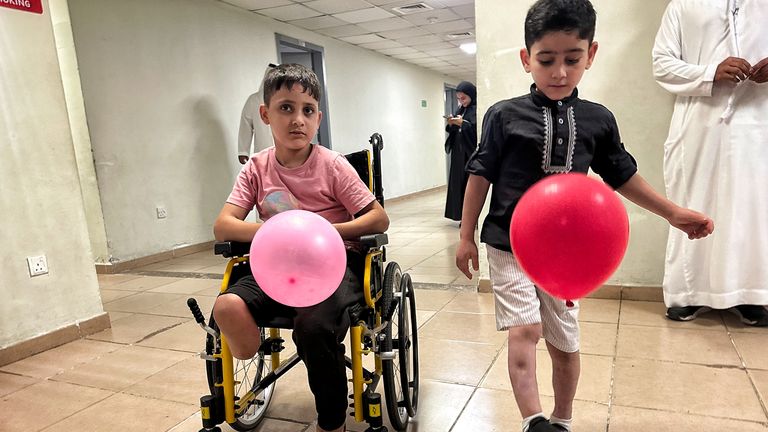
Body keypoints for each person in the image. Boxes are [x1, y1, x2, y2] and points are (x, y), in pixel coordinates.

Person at [454, 1, 714, 431]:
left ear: (591, 55)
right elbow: (479, 176)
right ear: (526, 59)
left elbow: (623, 175)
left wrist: (673, 213)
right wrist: (466, 236)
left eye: (572, 60)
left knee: (564, 342)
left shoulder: (598, 120)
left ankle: (562, 420)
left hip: (566, 256)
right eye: (546, 60)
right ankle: (532, 420)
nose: (559, 72)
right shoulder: (502, 115)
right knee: (525, 331)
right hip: (507, 244)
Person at [212, 63, 389, 432]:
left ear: (318, 118)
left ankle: (331, 420)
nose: (297, 120)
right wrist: (278, 231)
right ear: (265, 114)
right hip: (276, 266)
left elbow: (377, 218)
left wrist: (326, 229)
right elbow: (223, 225)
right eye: (286, 108)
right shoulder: (256, 169)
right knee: (226, 304)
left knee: (311, 327)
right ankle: (249, 349)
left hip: (333, 267)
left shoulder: (333, 166)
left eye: (307, 111)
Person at [652, 0, 768, 325]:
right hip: (698, 126)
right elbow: (661, 64)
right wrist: (710, 72)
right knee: (692, 206)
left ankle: (750, 295)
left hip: (758, 124)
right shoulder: (683, 6)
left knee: (752, 209)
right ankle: (686, 295)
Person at [444, 81, 478, 222]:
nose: (461, 101)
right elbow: (453, 131)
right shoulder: (460, 110)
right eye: (458, 98)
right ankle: (459, 215)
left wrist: (463, 124)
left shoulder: (476, 109)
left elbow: (475, 129)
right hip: (458, 154)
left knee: (468, 185)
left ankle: (470, 218)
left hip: (469, 153)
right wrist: (452, 123)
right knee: (457, 184)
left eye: (463, 98)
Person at [237, 64, 276, 164]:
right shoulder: (254, 100)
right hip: (262, 154)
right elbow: (246, 125)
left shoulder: (288, 100)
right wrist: (243, 151)